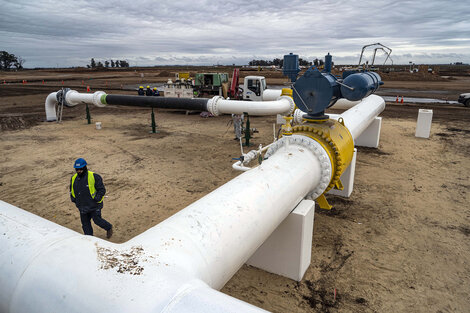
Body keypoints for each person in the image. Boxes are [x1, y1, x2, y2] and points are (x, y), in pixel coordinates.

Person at [70, 158, 113, 238]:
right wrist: (74, 200)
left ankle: (109, 227)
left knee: (97, 220)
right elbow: (72, 190)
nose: (79, 171)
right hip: (82, 206)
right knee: (85, 225)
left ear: (85, 167)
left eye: (81, 169)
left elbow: (101, 190)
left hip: (94, 205)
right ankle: (90, 240)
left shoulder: (94, 177)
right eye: (77, 169)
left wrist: (97, 199)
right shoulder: (73, 178)